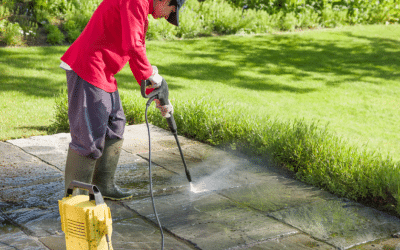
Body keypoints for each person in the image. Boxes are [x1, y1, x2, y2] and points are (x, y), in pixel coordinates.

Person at [59, 0, 186, 200]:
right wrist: (153, 76)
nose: (166, 17)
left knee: (115, 124)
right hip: (88, 67)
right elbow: (133, 45)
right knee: (89, 136)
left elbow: (135, 52)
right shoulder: (136, 1)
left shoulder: (142, 11)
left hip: (103, 71)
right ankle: (77, 199)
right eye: (171, 11)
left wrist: (155, 89)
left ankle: (103, 186)